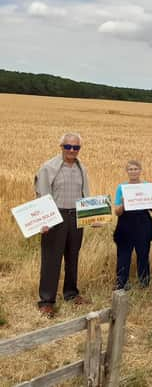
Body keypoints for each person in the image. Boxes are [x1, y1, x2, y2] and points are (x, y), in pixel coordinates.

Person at [34, 133, 91, 317]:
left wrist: (93, 216)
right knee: (51, 259)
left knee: (73, 257)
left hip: (76, 216)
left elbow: (86, 195)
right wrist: (44, 220)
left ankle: (71, 293)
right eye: (68, 147)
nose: (72, 151)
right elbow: (42, 194)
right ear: (61, 146)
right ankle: (46, 301)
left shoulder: (82, 168)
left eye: (76, 148)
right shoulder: (48, 167)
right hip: (55, 216)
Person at [113, 160, 152, 290]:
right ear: (127, 171)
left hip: (143, 221)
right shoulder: (121, 187)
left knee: (143, 254)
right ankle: (121, 283)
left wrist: (149, 201)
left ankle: (144, 283)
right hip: (125, 222)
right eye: (130, 169)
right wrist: (124, 204)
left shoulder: (148, 186)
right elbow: (117, 211)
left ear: (140, 170)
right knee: (123, 254)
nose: (133, 171)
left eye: (135, 169)